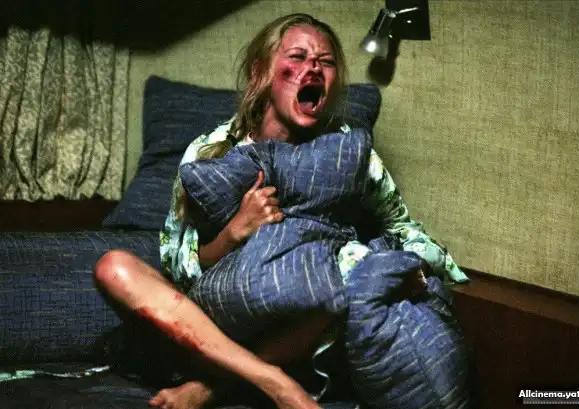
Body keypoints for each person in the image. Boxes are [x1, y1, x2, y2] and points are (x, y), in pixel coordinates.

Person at [94, 13, 468, 409]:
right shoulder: (213, 151)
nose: (313, 67)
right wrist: (233, 233)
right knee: (114, 267)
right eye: (298, 56)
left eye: (325, 61)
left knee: (347, 276)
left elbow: (404, 228)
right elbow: (175, 262)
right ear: (261, 73)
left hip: (299, 330)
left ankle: (214, 388)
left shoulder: (350, 155)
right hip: (213, 321)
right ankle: (268, 381)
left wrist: (411, 267)